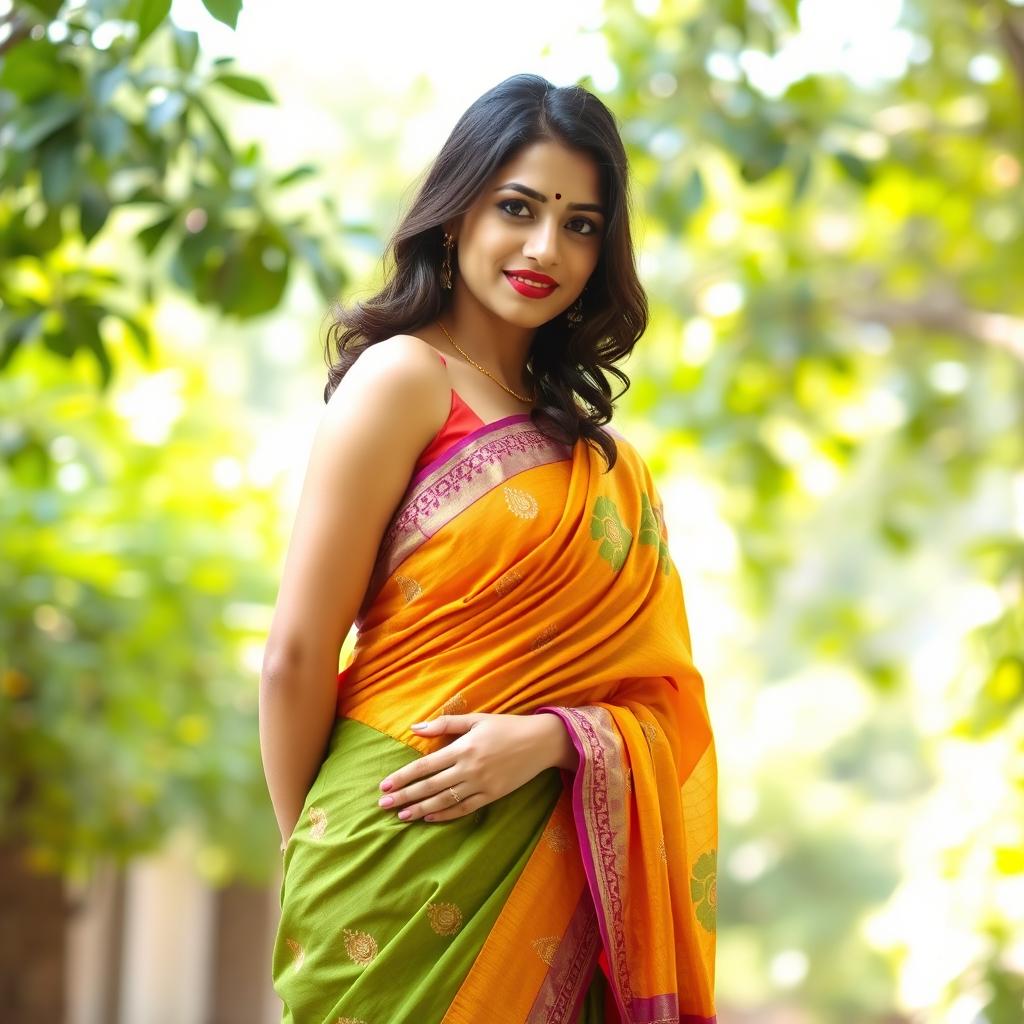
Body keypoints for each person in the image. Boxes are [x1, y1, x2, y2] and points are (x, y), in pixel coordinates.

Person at [258, 72, 718, 1024]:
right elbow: (295, 656)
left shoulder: (601, 462)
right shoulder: (403, 380)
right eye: (518, 208)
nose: (546, 247)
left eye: (582, 224)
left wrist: (554, 740)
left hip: (562, 879)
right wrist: (310, 846)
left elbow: (660, 705)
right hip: (389, 857)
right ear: (456, 212)